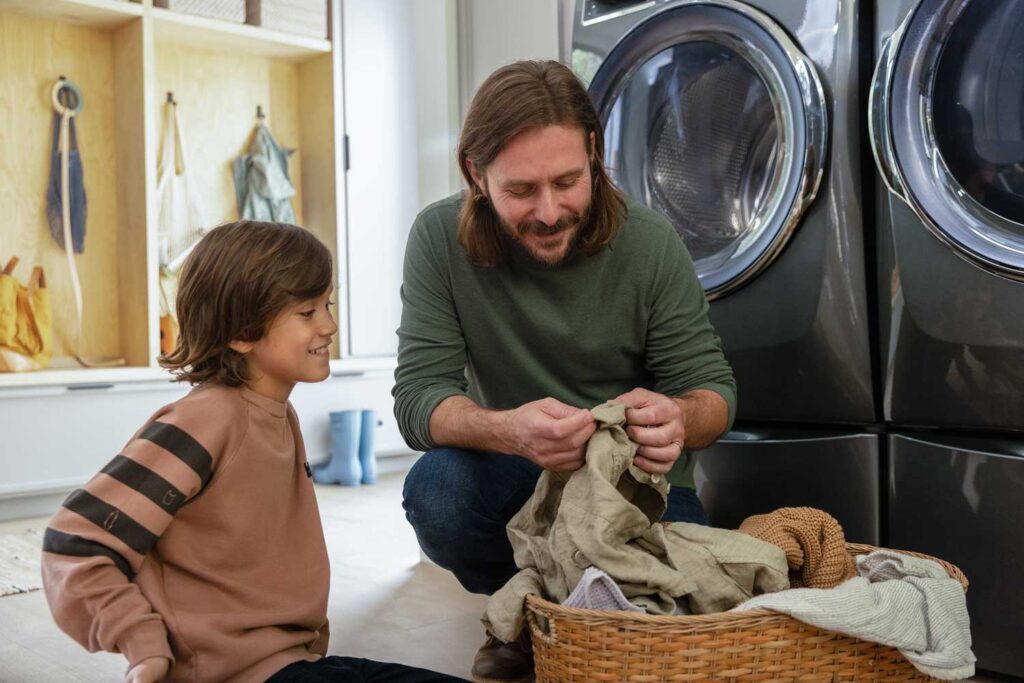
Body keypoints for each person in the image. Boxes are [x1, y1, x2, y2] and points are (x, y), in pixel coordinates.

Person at [393, 60, 737, 682]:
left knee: (680, 619)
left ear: (594, 153)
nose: (550, 211)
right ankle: (529, 614)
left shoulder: (652, 242)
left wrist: (680, 418)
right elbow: (419, 399)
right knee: (438, 492)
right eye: (521, 190)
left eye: (568, 181)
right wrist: (510, 432)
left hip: (641, 490)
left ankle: (550, 619)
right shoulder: (437, 238)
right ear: (476, 173)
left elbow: (714, 394)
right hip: (517, 476)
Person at [41, 221, 462, 683]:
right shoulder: (204, 420)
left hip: (288, 663)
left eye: (328, 304)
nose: (329, 324)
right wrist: (143, 646)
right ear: (242, 332)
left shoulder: (278, 413)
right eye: (307, 312)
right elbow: (75, 542)